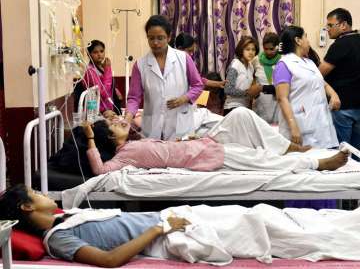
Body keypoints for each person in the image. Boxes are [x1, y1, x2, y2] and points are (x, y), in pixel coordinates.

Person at [3, 185, 360, 267]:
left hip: (176, 217)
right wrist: (161, 230)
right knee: (256, 221)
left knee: (263, 212)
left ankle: (345, 223)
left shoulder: (66, 218)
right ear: (26, 207)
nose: (43, 192)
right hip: (171, 231)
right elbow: (109, 261)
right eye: (36, 191)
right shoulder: (58, 239)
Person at [83, 107, 348, 175]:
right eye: (112, 125)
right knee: (261, 160)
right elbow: (100, 170)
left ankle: (290, 147)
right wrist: (91, 139)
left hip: (201, 142)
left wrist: (189, 138)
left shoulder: (135, 140)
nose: (118, 120)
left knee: (241, 114)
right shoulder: (124, 155)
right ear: (108, 137)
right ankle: (315, 165)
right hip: (203, 157)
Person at [125, 15, 204, 141]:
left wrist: (184, 98)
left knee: (179, 158)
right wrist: (128, 117)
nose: (155, 43)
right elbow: (134, 97)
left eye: (160, 38)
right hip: (152, 126)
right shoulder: (140, 65)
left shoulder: (183, 58)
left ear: (169, 37)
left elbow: (198, 85)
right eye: (151, 38)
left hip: (180, 125)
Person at [273, 25, 339, 149]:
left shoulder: (309, 63)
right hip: (300, 126)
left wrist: (334, 94)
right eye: (306, 37)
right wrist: (293, 126)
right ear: (298, 41)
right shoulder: (284, 64)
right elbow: (282, 98)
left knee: (326, 161)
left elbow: (321, 82)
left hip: (321, 125)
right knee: (307, 164)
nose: (308, 42)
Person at [319, 8, 360, 154]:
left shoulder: (340, 45)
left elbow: (318, 74)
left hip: (342, 108)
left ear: (343, 25)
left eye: (330, 25)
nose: (327, 29)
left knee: (340, 153)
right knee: (357, 153)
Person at [223, 36, 262, 115]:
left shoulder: (251, 67)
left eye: (253, 50)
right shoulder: (235, 64)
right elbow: (228, 89)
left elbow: (250, 89)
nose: (251, 52)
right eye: (247, 49)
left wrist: (255, 93)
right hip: (232, 108)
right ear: (241, 50)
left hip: (245, 108)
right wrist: (247, 93)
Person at [82, 40, 122, 114]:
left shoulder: (101, 67)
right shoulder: (90, 71)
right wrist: (108, 70)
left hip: (108, 107)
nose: (99, 54)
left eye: (101, 51)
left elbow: (108, 84)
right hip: (98, 111)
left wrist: (115, 89)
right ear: (89, 54)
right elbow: (103, 93)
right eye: (95, 52)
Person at [252, 32, 281, 123]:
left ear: (277, 47)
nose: (268, 52)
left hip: (278, 104)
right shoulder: (256, 60)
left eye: (271, 49)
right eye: (265, 49)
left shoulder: (283, 60)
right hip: (261, 104)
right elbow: (251, 79)